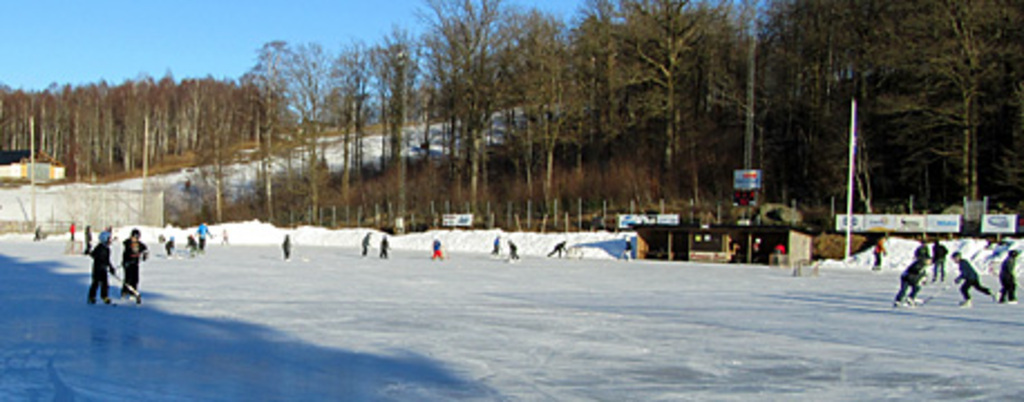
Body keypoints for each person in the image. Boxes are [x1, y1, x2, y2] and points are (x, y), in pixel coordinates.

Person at [121, 228, 148, 302]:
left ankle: (133, 292)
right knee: (128, 278)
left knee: (135, 279)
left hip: (135, 264)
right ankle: (124, 291)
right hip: (128, 264)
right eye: (133, 237)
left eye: (136, 238)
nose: (135, 239)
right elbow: (125, 254)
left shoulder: (139, 244)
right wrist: (125, 262)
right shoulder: (128, 244)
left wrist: (145, 254)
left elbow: (145, 248)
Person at [88, 231, 115, 304]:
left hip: (103, 269)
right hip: (97, 269)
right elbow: (93, 255)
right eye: (109, 239)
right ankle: (91, 297)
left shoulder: (107, 249)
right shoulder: (99, 248)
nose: (110, 240)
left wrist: (111, 267)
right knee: (95, 283)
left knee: (105, 284)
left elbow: (107, 260)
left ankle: (104, 296)